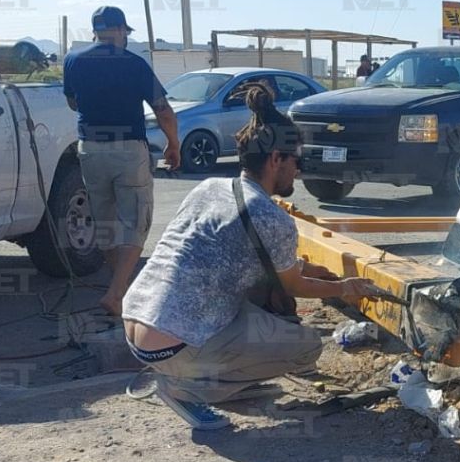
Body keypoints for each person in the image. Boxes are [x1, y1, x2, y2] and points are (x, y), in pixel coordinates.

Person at [121, 83, 382, 430]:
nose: (299, 171)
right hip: (173, 346)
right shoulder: (270, 217)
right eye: (296, 161)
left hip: (136, 321)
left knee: (263, 312)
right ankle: (186, 389)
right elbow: (295, 287)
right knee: (305, 347)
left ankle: (206, 373)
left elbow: (241, 257)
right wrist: (346, 287)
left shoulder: (210, 187)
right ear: (276, 159)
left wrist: (315, 271)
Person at [63, 6, 181, 316]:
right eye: (126, 32)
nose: (126, 37)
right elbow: (164, 110)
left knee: (104, 222)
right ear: (119, 30)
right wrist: (173, 144)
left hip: (89, 148)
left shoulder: (73, 60)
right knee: (136, 221)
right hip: (128, 149)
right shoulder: (134, 64)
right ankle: (116, 295)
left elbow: (73, 101)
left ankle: (122, 291)